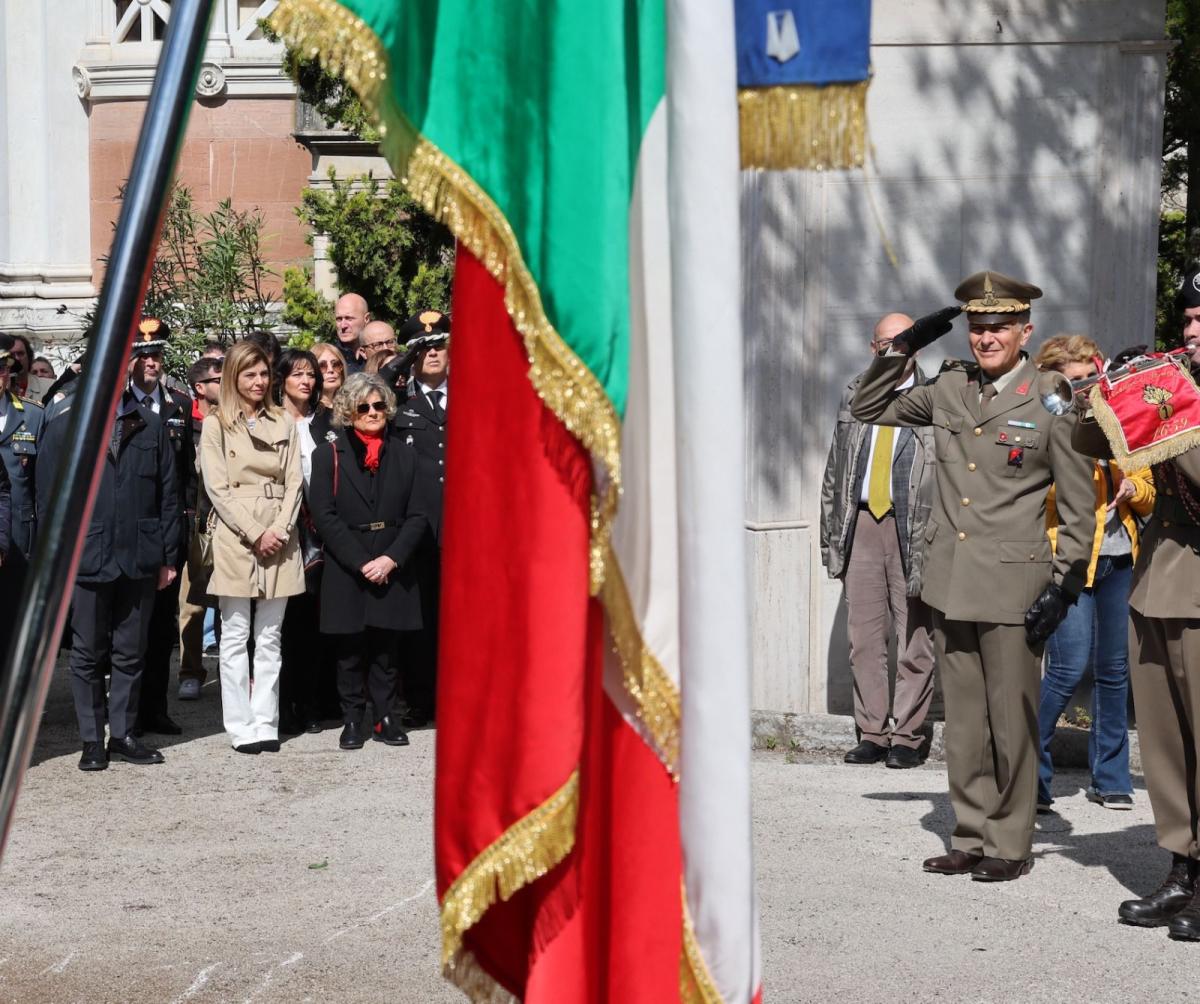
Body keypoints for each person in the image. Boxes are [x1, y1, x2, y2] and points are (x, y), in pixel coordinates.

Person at [852, 271, 1094, 883]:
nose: (987, 338)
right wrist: (904, 346)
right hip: (950, 581)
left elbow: (1076, 502)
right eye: (978, 328)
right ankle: (969, 833)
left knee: (1010, 717)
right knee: (962, 719)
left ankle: (1010, 842)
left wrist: (1065, 582)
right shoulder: (949, 387)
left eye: (1000, 328)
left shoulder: (1050, 395)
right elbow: (866, 405)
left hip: (1015, 586)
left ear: (1024, 331)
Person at [1080, 268, 1200, 938]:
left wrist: (1164, 409)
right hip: (1161, 576)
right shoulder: (1177, 384)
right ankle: (1182, 869)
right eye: (1186, 322)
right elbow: (1088, 449)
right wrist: (1103, 399)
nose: (1190, 333)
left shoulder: (1186, 397)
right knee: (1165, 745)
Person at [37, 355, 181, 771]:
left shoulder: (150, 425)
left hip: (139, 555)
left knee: (131, 652)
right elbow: (48, 502)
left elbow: (168, 497)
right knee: (86, 653)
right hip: (87, 555)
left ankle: (122, 733)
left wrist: (168, 557)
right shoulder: (65, 426)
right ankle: (90, 739)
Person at [1033, 335, 1152, 813]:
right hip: (1071, 559)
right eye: (1076, 380)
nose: (1086, 387)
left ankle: (1112, 778)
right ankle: (1029, 771)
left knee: (1114, 672)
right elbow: (1036, 494)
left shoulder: (1118, 417)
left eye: (1091, 377)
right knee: (1065, 669)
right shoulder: (1046, 421)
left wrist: (1130, 485)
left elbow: (1148, 487)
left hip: (1120, 558)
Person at [820, 312, 936, 769]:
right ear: (873, 348)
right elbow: (835, 469)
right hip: (863, 523)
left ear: (915, 349)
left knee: (915, 637)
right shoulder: (854, 394)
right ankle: (872, 732)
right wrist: (833, 534)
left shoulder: (934, 398)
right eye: (883, 344)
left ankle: (907, 736)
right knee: (864, 638)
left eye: (900, 343)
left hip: (915, 526)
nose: (891, 351)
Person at [309, 373, 429, 749]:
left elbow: (418, 515)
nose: (373, 412)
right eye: (364, 407)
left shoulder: (406, 454)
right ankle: (352, 719)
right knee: (349, 650)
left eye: (379, 405)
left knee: (386, 650)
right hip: (350, 566)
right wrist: (363, 562)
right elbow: (323, 515)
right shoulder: (326, 454)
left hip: (392, 562)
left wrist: (390, 559)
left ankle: (386, 717)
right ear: (348, 411)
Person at [198, 340, 305, 754]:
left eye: (264, 374)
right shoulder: (215, 424)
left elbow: (295, 482)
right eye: (250, 374)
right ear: (233, 378)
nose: (259, 381)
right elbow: (217, 488)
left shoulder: (284, 422)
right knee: (235, 631)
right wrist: (254, 533)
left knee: (271, 634)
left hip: (280, 532)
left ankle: (265, 721)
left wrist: (278, 528)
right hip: (236, 534)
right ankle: (240, 724)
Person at [124, 318, 193, 737]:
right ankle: (127, 715)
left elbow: (184, 475)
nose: (151, 362)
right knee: (129, 627)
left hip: (167, 529)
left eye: (156, 354)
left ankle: (155, 709)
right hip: (128, 528)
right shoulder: (116, 405)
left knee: (162, 624)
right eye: (143, 354)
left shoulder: (178, 405)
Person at [393, 309, 449, 726]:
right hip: (418, 529)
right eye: (423, 346)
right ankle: (420, 699)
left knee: (461, 619)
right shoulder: (396, 403)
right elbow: (359, 399)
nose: (433, 352)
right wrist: (399, 361)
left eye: (439, 344)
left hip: (464, 531)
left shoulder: (471, 394)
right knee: (420, 619)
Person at [275, 348, 328, 734]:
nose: (306, 381)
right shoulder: (270, 421)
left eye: (311, 374)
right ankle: (283, 705)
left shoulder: (328, 421)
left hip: (322, 535)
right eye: (297, 374)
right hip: (281, 532)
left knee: (312, 622)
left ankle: (311, 703)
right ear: (282, 380)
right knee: (281, 624)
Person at [177, 354, 223, 701]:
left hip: (229, 520)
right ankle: (190, 670)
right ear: (200, 387)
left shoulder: (233, 418)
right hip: (194, 522)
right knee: (192, 604)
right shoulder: (181, 420)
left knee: (232, 600)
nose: (225, 382)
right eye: (217, 379)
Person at [0, 339, 44, 567]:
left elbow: (44, 488)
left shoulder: (34, 416)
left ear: (8, 372)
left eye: (0, 368)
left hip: (21, 536)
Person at [333, 293, 370, 374]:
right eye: (339, 319)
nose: (343, 326)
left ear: (366, 319)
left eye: (349, 318)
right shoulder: (328, 360)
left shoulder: (377, 356)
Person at [312, 342, 347, 412]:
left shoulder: (352, 407)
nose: (331, 370)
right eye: (322, 366)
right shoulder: (307, 412)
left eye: (336, 364)